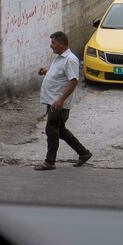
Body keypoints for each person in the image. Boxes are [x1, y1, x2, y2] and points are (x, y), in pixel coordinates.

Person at [35, 30, 92, 170]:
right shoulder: (60, 57)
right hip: (53, 101)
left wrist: (61, 100)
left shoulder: (70, 59)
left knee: (52, 130)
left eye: (53, 43)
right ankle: (83, 153)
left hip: (59, 103)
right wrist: (47, 72)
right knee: (59, 130)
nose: (51, 46)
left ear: (61, 43)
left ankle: (50, 162)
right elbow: (61, 75)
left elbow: (73, 81)